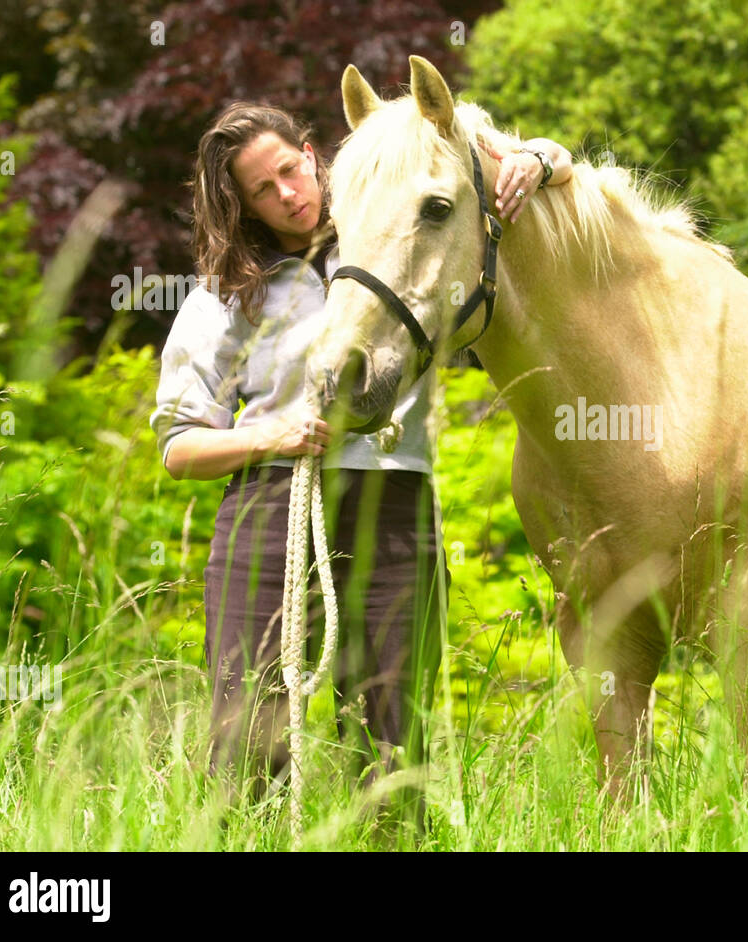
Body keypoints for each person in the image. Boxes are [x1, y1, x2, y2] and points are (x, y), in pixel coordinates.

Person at [150, 98, 571, 837]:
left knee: (391, 742)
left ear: (313, 155)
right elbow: (180, 447)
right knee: (249, 739)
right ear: (242, 205)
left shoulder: (392, 239)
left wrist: (539, 155)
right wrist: (269, 436)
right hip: (269, 510)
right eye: (262, 189)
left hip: (396, 504)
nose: (288, 193)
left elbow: (485, 164)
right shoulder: (228, 296)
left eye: (290, 169)